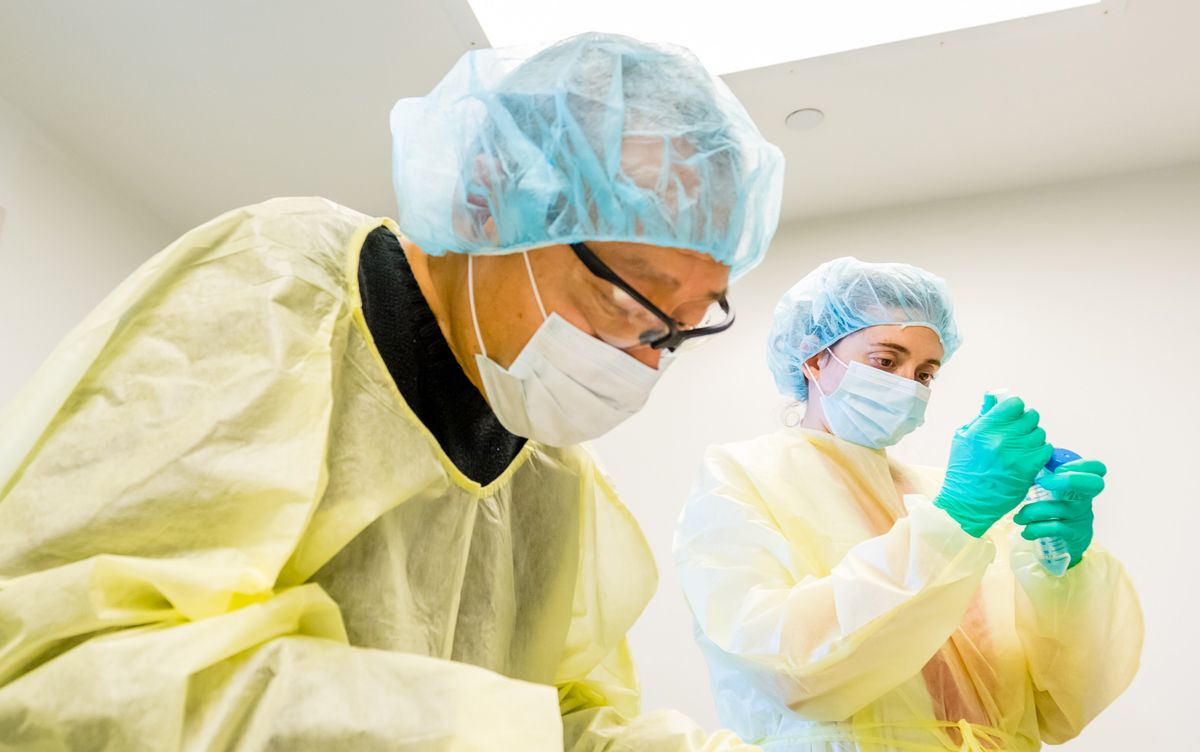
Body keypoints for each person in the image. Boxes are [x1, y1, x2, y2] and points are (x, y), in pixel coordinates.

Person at [0, 33, 784, 750]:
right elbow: (56, 673)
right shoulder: (276, 296)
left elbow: (560, 720)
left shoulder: (553, 474)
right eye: (624, 303)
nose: (640, 367)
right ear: (490, 200)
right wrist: (463, 729)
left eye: (670, 334)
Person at [673, 257, 1142, 751]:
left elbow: (1060, 707)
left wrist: (1063, 569)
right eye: (886, 361)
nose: (906, 384)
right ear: (813, 357)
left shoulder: (940, 494)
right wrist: (955, 520)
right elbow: (787, 673)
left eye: (925, 373)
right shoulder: (745, 475)